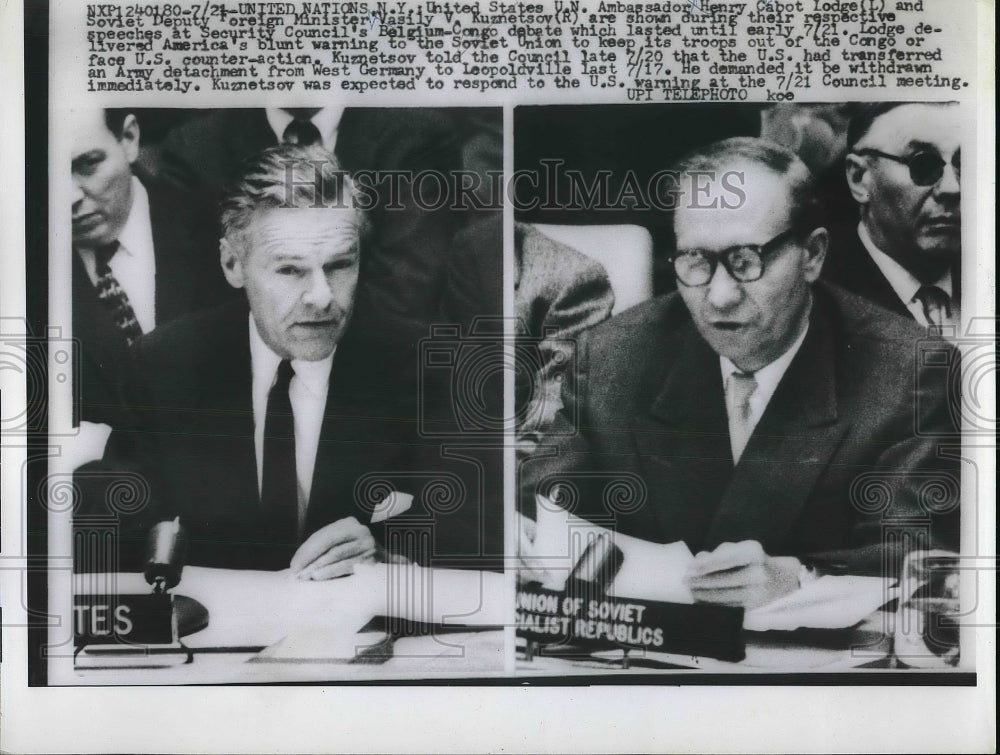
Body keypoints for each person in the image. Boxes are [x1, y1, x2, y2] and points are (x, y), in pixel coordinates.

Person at [518, 137, 960, 610]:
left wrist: (799, 577)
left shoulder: (912, 371)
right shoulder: (612, 357)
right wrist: (529, 542)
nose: (721, 295)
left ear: (812, 254)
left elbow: (914, 552)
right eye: (697, 262)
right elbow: (542, 511)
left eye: (747, 261)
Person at [99, 144, 475, 574]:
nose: (321, 297)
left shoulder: (430, 367)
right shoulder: (164, 366)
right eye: (290, 270)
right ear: (232, 264)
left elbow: (473, 524)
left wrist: (386, 549)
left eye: (339, 265)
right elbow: (123, 530)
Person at [156, 107, 493, 329]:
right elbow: (197, 297)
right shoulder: (194, 150)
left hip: (374, 378)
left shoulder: (416, 138)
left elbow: (408, 291)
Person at [71, 107, 232, 432]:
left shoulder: (218, 229)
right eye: (46, 173)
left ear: (129, 139)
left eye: (88, 165)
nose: (70, 196)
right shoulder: (22, 268)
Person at [825, 102, 961, 332]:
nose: (952, 188)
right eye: (923, 163)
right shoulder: (817, 299)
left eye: (964, 164)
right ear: (859, 178)